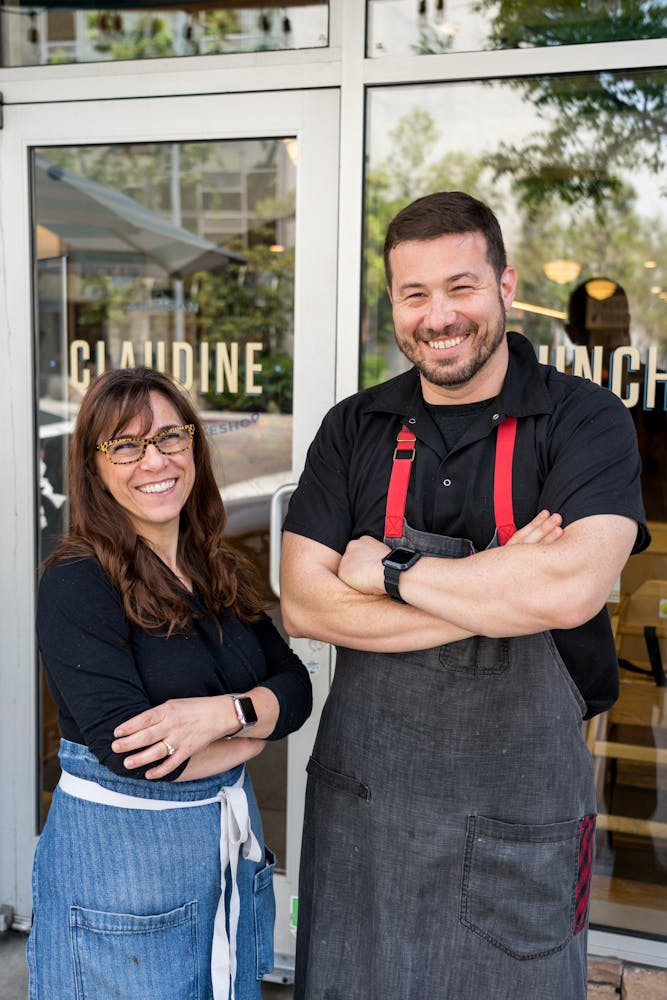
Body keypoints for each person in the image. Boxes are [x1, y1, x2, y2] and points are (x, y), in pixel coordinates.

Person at [280, 192, 649, 1000]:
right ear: (393, 304)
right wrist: (496, 589)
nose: (438, 316)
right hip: (365, 813)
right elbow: (304, 604)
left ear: (505, 285)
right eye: (414, 294)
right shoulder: (353, 427)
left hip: (520, 820)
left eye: (461, 287)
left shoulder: (583, 420)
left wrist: (389, 572)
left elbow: (567, 590)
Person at [28, 366, 312, 1000]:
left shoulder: (216, 565)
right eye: (126, 445)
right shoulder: (77, 581)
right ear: (95, 466)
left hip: (217, 854)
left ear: (194, 446)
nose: (154, 460)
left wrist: (222, 718)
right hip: (118, 878)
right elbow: (135, 755)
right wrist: (253, 730)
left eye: (169, 437)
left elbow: (295, 689)